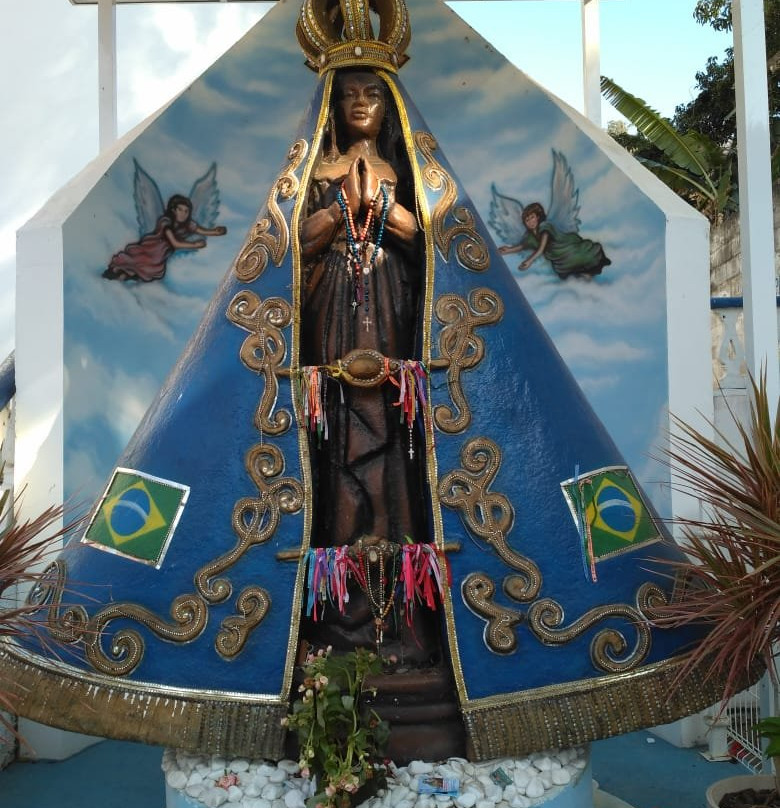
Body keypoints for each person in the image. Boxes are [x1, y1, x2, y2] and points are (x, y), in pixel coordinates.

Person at [298, 69, 437, 665]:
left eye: (372, 93)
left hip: (390, 313)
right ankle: (337, 615)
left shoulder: (407, 174)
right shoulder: (310, 172)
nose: (360, 102)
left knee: (395, 452)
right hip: (331, 317)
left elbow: (437, 240)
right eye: (349, 92)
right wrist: (336, 215)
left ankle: (398, 616)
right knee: (335, 451)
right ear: (331, 105)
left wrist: (381, 211)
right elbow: (285, 244)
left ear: (390, 107)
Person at [102, 194, 227, 282]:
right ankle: (116, 274)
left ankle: (128, 276)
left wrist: (215, 232)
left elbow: (201, 230)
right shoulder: (166, 222)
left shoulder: (188, 224)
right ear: (173, 210)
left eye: (186, 211)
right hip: (152, 248)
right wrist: (194, 245)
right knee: (140, 263)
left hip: (162, 254)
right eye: (180, 210)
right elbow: (174, 243)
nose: (183, 214)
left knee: (153, 270)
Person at [498, 201, 610, 279]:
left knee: (582, 257)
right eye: (527, 220)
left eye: (532, 217)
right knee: (567, 272)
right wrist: (508, 250)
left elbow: (541, 248)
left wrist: (529, 261)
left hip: (567, 249)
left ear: (537, 217)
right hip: (559, 259)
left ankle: (590, 273)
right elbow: (522, 246)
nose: (530, 222)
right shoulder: (530, 235)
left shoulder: (545, 226)